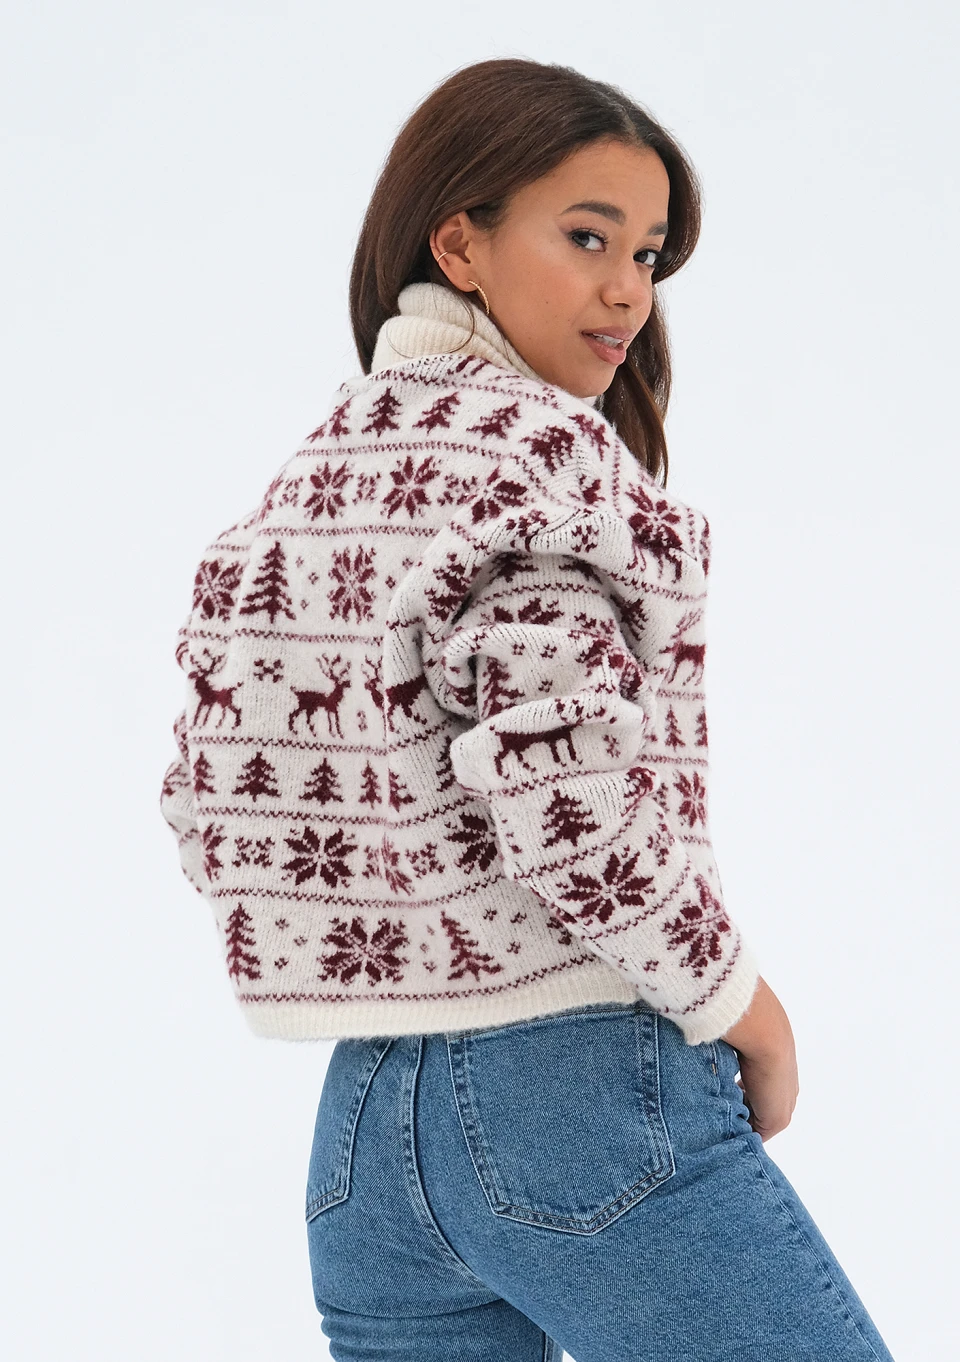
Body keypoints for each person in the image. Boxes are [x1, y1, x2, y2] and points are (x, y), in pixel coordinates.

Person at [160, 57, 896, 1361]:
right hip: (575, 1104)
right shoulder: (540, 458)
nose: (628, 291)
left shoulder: (311, 482)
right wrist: (747, 1009)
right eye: (587, 237)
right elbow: (572, 803)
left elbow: (203, 793)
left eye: (648, 255)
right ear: (461, 243)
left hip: (364, 1136)